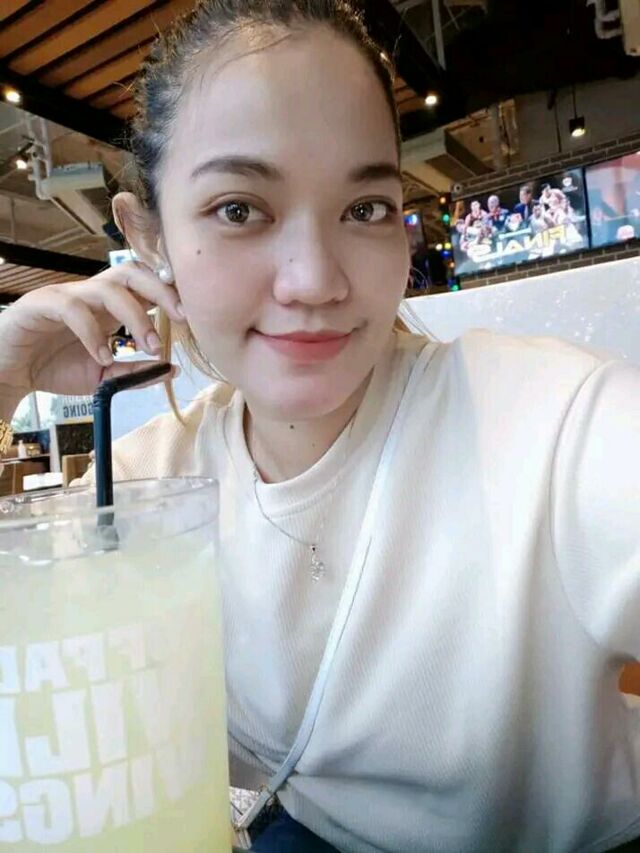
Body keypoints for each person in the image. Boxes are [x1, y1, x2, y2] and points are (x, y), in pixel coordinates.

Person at [0, 1, 639, 851]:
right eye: (240, 209)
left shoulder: (550, 424)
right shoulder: (151, 485)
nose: (314, 280)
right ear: (149, 238)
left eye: (364, 208)